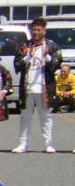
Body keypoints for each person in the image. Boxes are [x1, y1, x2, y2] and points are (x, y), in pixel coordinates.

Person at [11, 17, 61, 154]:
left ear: (44, 31)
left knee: (46, 117)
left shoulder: (52, 46)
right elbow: (17, 63)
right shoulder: (24, 46)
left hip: (44, 87)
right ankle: (23, 144)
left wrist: (47, 56)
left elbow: (57, 63)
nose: (36, 32)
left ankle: (48, 144)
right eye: (34, 30)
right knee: (25, 116)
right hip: (27, 87)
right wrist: (28, 57)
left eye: (39, 30)